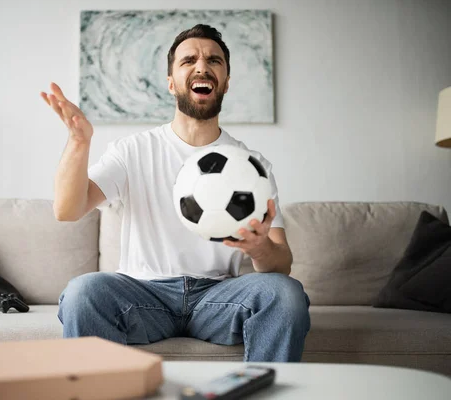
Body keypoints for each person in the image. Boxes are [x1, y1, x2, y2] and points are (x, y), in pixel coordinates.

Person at [40, 24, 310, 362]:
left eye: (214, 60)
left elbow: (281, 263)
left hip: (219, 298)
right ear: (171, 83)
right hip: (143, 296)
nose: (202, 66)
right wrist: (79, 141)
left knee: (285, 293)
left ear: (225, 81)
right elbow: (67, 210)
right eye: (188, 61)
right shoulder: (133, 151)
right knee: (83, 291)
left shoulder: (252, 166)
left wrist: (260, 249)